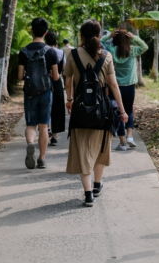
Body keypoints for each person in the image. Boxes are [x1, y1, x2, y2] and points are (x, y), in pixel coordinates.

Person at [64, 20, 128, 207]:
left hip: (80, 109)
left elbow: (68, 83)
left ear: (81, 36)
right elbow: (114, 85)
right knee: (100, 149)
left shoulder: (73, 54)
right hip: (102, 110)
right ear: (99, 36)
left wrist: (69, 100)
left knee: (83, 150)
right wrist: (123, 111)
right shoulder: (106, 56)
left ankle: (87, 195)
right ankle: (97, 185)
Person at [17, 18, 60, 170]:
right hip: (46, 92)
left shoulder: (23, 51)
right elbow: (55, 77)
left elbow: (20, 76)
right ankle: (41, 159)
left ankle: (30, 144)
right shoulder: (51, 52)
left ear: (32, 30)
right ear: (45, 32)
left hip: (29, 92)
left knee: (31, 125)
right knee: (43, 126)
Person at [101, 28, 148, 151]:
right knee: (129, 111)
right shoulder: (131, 50)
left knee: (118, 112)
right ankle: (130, 137)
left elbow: (101, 43)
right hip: (129, 86)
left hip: (114, 87)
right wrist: (134, 38)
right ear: (127, 39)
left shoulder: (110, 50)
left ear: (114, 39)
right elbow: (145, 46)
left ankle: (122, 143)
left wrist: (108, 36)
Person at [44, 31, 66, 146]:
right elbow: (63, 67)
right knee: (57, 109)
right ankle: (54, 137)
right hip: (57, 83)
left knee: (45, 107)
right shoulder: (61, 52)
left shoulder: (43, 51)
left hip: (44, 82)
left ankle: (46, 129)